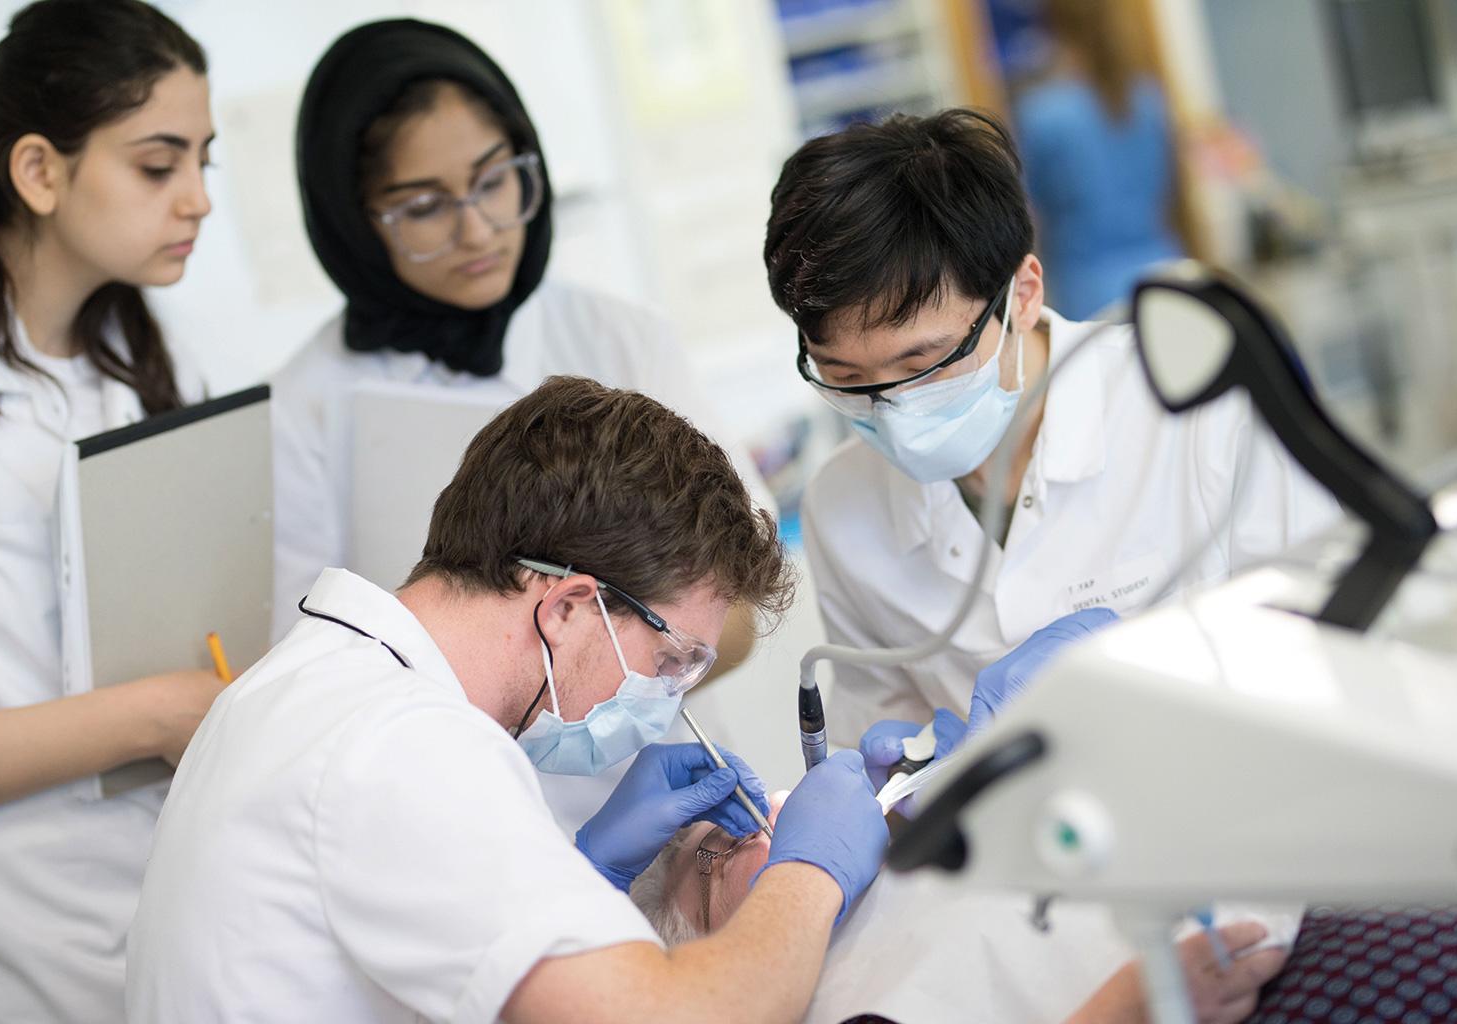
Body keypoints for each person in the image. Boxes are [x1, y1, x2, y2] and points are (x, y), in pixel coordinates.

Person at [126, 376, 890, 1023]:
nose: (668, 698)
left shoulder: (320, 685)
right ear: (566, 609)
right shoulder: (400, 745)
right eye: (669, 660)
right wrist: (811, 872)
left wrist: (584, 879)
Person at [762, 108, 1339, 749]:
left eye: (923, 365)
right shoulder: (841, 504)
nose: (893, 409)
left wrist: (1166, 662)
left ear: (1023, 294)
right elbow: (883, 731)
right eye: (846, 378)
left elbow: (1342, 635)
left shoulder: (1202, 408)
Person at [0, 2, 221, 1020]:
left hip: (169, 907)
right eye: (159, 165)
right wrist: (150, 715)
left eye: (205, 160)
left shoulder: (143, 350)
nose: (197, 199)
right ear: (40, 172)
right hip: (14, 955)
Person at [272, 18, 770, 651]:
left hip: (648, 740)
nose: (478, 231)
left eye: (493, 181)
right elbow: (306, 657)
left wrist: (602, 702)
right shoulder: (303, 406)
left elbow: (740, 603)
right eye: (424, 207)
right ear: (352, 219)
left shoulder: (622, 337)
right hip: (428, 749)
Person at [632, 805, 1289, 1024]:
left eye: (754, 811)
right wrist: (1127, 1008)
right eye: (718, 850)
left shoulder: (909, 862)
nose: (773, 824)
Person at [1012, 0, 1184, 320]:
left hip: (1091, 296)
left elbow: (1027, 216)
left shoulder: (1043, 114)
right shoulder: (1148, 99)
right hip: (1169, 278)